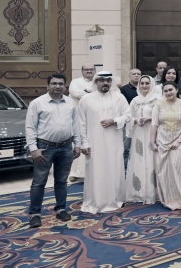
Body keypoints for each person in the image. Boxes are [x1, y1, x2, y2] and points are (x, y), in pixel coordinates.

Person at [25, 74, 81, 228]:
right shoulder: (37, 103)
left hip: (66, 147)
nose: (58, 86)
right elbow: (30, 127)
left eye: (61, 84)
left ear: (65, 86)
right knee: (39, 182)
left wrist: (77, 144)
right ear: (47, 86)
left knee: (62, 181)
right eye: (54, 83)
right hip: (44, 148)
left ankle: (61, 209)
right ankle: (34, 213)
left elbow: (75, 124)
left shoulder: (70, 102)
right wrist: (33, 148)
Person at [78, 71, 130, 214]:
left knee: (114, 169)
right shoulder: (86, 99)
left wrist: (114, 120)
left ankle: (116, 199)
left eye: (108, 80)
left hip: (114, 142)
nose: (105, 83)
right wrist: (84, 143)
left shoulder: (119, 97)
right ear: (96, 82)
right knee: (96, 171)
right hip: (94, 143)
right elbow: (81, 123)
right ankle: (96, 201)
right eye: (102, 80)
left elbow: (128, 115)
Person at [150, 82, 181, 210]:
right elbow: (154, 124)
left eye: (170, 90)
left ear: (176, 89)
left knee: (179, 168)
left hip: (180, 140)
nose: (168, 93)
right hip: (162, 140)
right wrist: (152, 142)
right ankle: (169, 199)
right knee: (164, 171)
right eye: (166, 91)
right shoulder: (158, 104)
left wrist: (178, 140)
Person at [125, 76, 158, 205]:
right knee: (138, 159)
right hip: (138, 133)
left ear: (152, 85)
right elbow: (129, 117)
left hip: (152, 132)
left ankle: (152, 192)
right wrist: (135, 120)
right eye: (142, 83)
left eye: (147, 83)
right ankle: (139, 192)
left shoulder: (157, 99)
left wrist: (149, 119)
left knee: (151, 159)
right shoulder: (135, 100)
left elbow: (162, 116)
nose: (144, 86)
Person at [67, 63, 96, 182]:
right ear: (82, 71)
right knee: (78, 144)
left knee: (92, 144)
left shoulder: (97, 81)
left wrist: (89, 93)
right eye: (86, 69)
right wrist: (92, 94)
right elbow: (75, 93)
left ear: (95, 71)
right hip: (78, 118)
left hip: (93, 118)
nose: (89, 71)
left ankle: (92, 172)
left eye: (91, 69)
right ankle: (75, 173)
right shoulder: (76, 82)